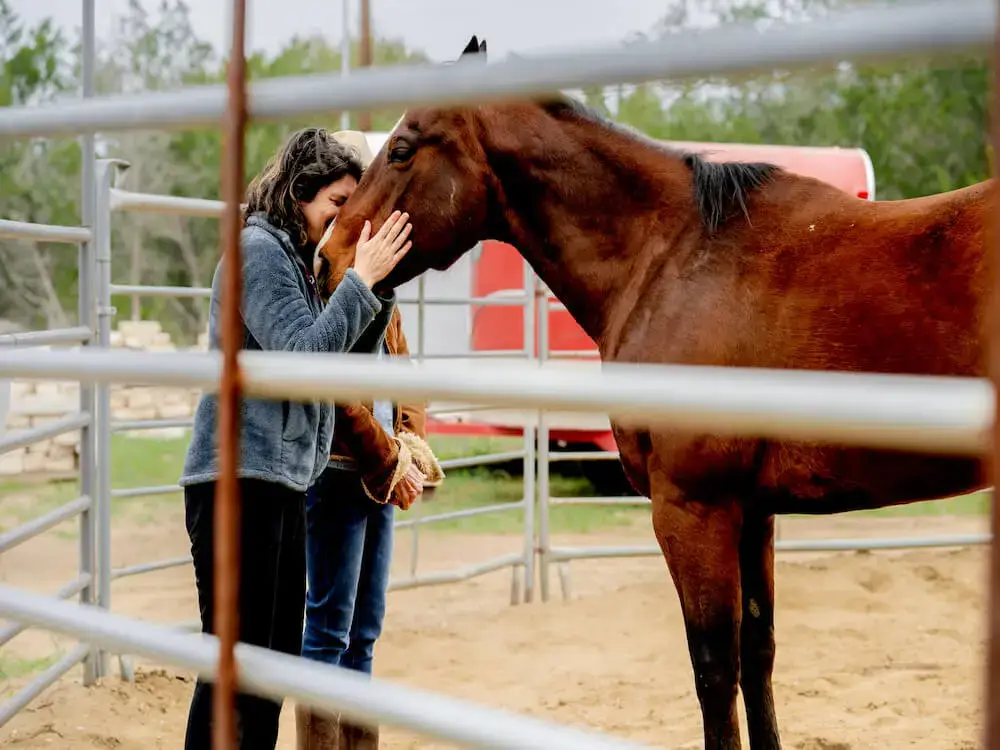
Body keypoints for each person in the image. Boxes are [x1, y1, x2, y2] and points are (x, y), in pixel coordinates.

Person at [177, 126, 413, 750]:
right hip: (238, 481)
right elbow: (304, 357)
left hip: (279, 482)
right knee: (237, 665)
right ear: (299, 192)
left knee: (271, 665)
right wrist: (358, 283)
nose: (344, 217)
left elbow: (344, 365)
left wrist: (377, 287)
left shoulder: (300, 263)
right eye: (337, 202)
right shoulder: (257, 252)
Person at [295, 130, 444, 750]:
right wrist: (388, 460)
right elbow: (332, 388)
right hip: (340, 468)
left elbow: (402, 368)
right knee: (330, 628)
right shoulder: (323, 276)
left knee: (364, 631)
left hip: (380, 471)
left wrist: (410, 442)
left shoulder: (376, 278)